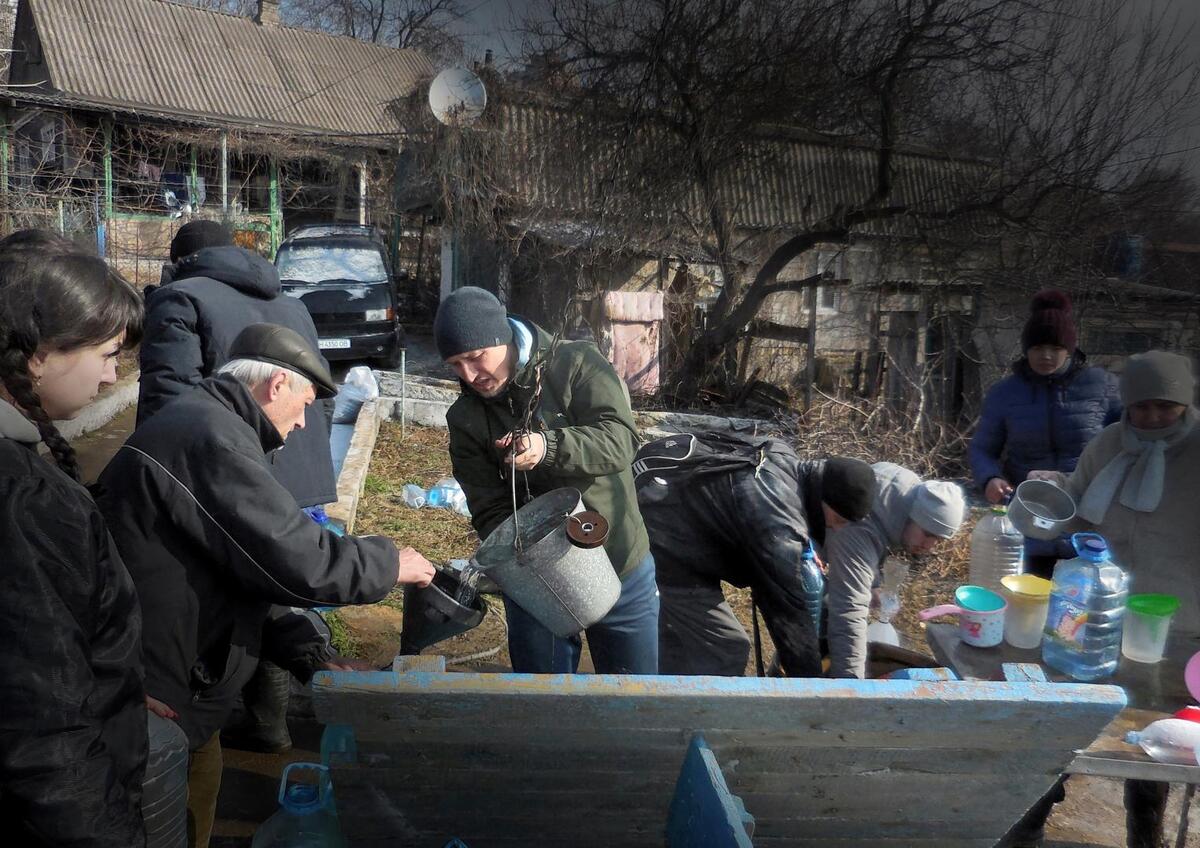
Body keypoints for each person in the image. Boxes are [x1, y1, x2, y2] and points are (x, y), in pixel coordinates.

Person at [95, 323, 436, 848]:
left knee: (195, 794)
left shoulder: (212, 426)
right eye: (304, 405)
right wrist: (390, 563)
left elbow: (247, 573)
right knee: (162, 818)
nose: (302, 424)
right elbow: (298, 559)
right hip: (157, 686)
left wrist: (309, 654)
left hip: (185, 686)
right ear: (276, 385)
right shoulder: (210, 437)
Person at [139, 220, 341, 753]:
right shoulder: (292, 304)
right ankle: (270, 721)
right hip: (301, 473)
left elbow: (169, 403)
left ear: (180, 260)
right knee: (279, 586)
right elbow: (317, 392)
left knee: (224, 589)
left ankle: (202, 712)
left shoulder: (179, 298)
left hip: (229, 476)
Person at [0, 232, 148, 846]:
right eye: (108, 353)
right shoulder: (25, 504)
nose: (114, 376)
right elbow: (42, 726)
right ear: (38, 354)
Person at [436, 286, 658, 674]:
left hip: (618, 558)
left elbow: (621, 440)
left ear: (501, 337)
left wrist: (547, 446)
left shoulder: (575, 363)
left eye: (475, 357)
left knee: (633, 697)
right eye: (456, 365)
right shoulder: (466, 418)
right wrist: (523, 558)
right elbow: (488, 505)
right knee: (542, 698)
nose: (470, 375)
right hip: (537, 582)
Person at [1027, 349, 1198, 848]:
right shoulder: (1107, 445)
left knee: (1152, 736)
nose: (1152, 417)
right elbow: (1076, 510)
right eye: (1141, 407)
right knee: (1064, 720)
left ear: (1184, 403)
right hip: (1093, 613)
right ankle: (1031, 819)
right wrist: (1051, 495)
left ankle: (1144, 833)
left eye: (1165, 406)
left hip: (1175, 623)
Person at [633, 431, 876, 676]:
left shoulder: (783, 455)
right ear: (826, 500)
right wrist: (811, 692)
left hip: (663, 503)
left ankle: (660, 685)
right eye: (838, 519)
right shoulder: (777, 522)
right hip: (659, 538)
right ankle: (675, 706)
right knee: (723, 648)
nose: (836, 528)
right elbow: (787, 615)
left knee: (688, 643)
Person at [969, 289, 1120, 575]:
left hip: (1088, 521)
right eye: (1037, 348)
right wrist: (990, 477)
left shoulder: (1104, 387)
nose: (1046, 356)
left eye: (1055, 347)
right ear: (1026, 350)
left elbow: (1129, 440)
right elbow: (982, 448)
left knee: (1077, 610)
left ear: (1070, 349)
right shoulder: (1005, 393)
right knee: (1024, 604)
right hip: (1025, 522)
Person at [824, 463, 967, 679]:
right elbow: (848, 613)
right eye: (927, 534)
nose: (929, 546)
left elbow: (875, 538)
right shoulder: (860, 528)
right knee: (816, 608)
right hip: (784, 541)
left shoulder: (903, 489)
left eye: (937, 539)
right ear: (913, 517)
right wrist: (852, 688)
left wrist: (870, 583)